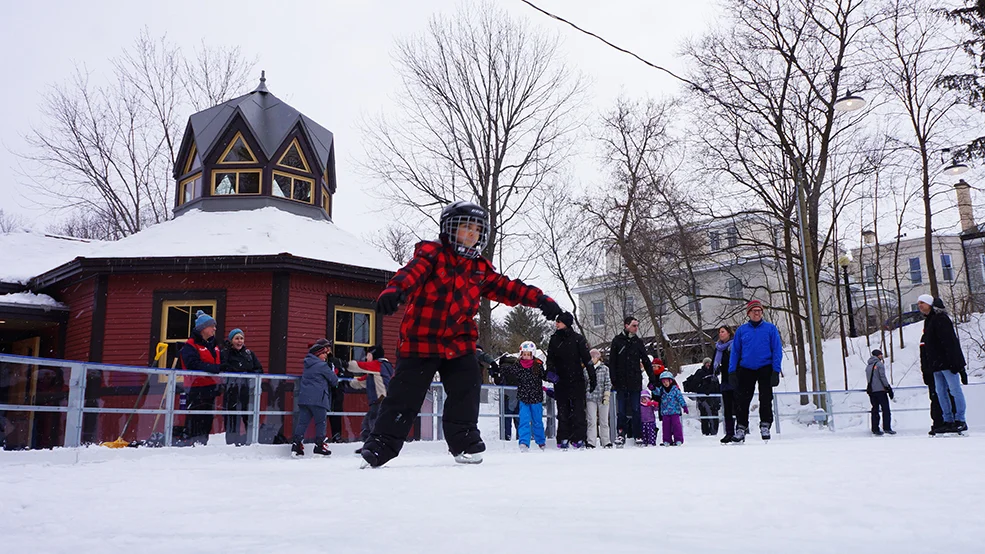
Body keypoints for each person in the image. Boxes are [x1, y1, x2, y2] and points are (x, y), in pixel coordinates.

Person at [361, 201, 562, 468]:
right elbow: (410, 274)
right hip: (421, 339)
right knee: (405, 396)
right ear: (449, 229)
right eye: (465, 227)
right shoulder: (432, 254)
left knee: (467, 386)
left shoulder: (478, 268)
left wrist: (542, 301)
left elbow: (509, 288)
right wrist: (395, 291)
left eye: (477, 230)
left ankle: (464, 441)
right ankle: (381, 446)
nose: (471, 234)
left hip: (459, 341)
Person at [727, 299, 783, 443]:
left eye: (759, 311)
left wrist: (776, 370)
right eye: (754, 311)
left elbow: (777, 349)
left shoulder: (770, 329)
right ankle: (741, 427)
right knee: (742, 399)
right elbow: (735, 352)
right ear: (749, 313)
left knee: (765, 398)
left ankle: (765, 424)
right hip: (746, 368)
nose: (757, 313)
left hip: (765, 367)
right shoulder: (741, 331)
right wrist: (732, 371)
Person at [918, 295, 968, 434]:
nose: (920, 305)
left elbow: (950, 341)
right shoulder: (929, 321)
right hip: (936, 365)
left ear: (930, 304)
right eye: (918, 303)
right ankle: (948, 420)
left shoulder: (941, 319)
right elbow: (927, 346)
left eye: (922, 303)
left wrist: (957, 364)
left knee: (954, 390)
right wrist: (928, 367)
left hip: (947, 363)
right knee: (941, 393)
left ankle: (960, 420)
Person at [547, 312, 596, 449]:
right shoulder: (554, 339)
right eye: (556, 321)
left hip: (576, 379)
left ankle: (579, 437)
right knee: (563, 411)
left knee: (578, 410)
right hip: (561, 380)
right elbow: (550, 358)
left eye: (559, 322)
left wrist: (592, 377)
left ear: (566, 323)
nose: (556, 324)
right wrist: (550, 371)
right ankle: (563, 437)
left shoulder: (578, 339)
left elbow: (587, 360)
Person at [179, 310, 222, 445]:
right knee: (195, 417)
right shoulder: (190, 345)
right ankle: (192, 444)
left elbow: (220, 362)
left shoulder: (213, 345)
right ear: (203, 328)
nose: (215, 329)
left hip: (211, 387)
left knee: (207, 418)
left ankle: (202, 443)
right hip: (195, 387)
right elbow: (192, 363)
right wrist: (213, 369)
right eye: (212, 326)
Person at [291, 339, 339, 457]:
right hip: (319, 399)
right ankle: (319, 446)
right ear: (318, 354)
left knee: (302, 423)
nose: (325, 356)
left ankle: (296, 445)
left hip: (305, 399)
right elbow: (334, 380)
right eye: (324, 354)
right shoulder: (322, 365)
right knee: (320, 423)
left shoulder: (307, 364)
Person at [608, 316, 651, 447]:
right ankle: (621, 434)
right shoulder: (617, 341)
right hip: (621, 382)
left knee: (636, 409)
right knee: (621, 410)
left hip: (635, 381)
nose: (636, 328)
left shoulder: (638, 342)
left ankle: (638, 435)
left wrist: (652, 379)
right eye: (634, 325)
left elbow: (645, 360)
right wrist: (613, 380)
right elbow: (612, 362)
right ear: (626, 325)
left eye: (637, 326)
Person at [501, 341, 547, 451]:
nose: (526, 357)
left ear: (532, 354)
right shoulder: (517, 366)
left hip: (536, 397)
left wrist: (552, 375)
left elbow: (545, 376)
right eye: (524, 354)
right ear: (521, 354)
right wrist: (500, 367)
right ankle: (524, 442)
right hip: (523, 398)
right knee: (524, 420)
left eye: (528, 354)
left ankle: (541, 441)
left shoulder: (538, 365)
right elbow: (507, 370)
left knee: (537, 420)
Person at [347, 346, 395, 451]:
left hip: (381, 400)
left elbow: (357, 366)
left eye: (368, 355)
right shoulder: (375, 371)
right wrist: (346, 383)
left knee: (374, 424)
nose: (366, 358)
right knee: (367, 424)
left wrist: (345, 364)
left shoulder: (379, 365)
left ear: (373, 355)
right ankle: (369, 446)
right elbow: (361, 382)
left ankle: (376, 447)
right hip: (378, 401)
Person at [221, 328, 263, 446]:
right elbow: (223, 367)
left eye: (241, 338)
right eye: (237, 338)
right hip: (231, 390)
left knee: (248, 416)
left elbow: (259, 369)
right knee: (232, 417)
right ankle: (231, 443)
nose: (239, 341)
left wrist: (249, 374)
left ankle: (249, 442)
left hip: (247, 390)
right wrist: (237, 371)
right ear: (231, 340)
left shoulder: (249, 354)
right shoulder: (226, 353)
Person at [684, 357, 721, 436]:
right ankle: (706, 432)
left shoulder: (714, 373)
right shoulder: (700, 372)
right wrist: (703, 389)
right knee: (704, 415)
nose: (708, 364)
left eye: (710, 363)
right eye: (707, 363)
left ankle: (714, 433)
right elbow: (695, 384)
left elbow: (717, 386)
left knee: (714, 415)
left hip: (714, 398)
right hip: (703, 398)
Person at [711, 326, 736, 444]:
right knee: (727, 409)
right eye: (719, 332)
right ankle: (729, 432)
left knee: (738, 407)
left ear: (729, 333)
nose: (720, 334)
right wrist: (716, 370)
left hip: (736, 379)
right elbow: (714, 363)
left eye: (722, 331)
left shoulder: (734, 345)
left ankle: (740, 430)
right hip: (725, 380)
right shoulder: (718, 348)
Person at [585, 348, 612, 448]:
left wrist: (606, 395)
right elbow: (585, 383)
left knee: (604, 421)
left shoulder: (605, 369)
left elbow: (608, 383)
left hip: (602, 397)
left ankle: (606, 441)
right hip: (591, 397)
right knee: (591, 420)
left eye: (594, 357)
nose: (592, 359)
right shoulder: (586, 369)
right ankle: (591, 441)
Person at [654, 370, 688, 446]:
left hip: (675, 411)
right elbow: (657, 392)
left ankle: (678, 439)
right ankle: (667, 440)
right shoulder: (662, 390)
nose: (665, 383)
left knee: (676, 426)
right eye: (663, 382)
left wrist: (684, 406)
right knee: (666, 427)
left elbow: (680, 398)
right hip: (665, 412)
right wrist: (653, 388)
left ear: (670, 381)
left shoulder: (675, 390)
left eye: (666, 381)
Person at [865, 349, 894, 436]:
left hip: (872, 391)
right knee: (886, 409)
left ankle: (875, 428)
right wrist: (888, 387)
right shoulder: (879, 364)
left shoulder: (868, 366)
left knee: (875, 409)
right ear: (878, 355)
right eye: (881, 354)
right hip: (880, 390)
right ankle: (887, 427)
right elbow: (882, 377)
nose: (882, 356)